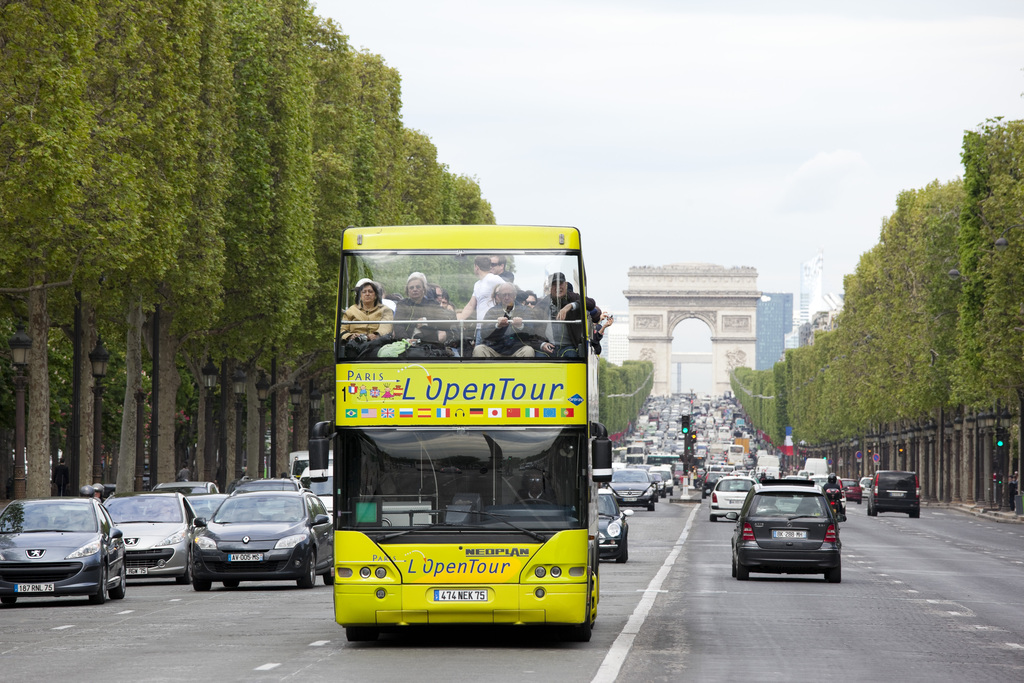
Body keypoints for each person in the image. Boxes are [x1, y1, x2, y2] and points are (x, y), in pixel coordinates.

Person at [473, 282, 546, 358]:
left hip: (517, 350)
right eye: (504, 295)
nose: (507, 297)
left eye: (509, 294)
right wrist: (497, 326)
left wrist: (521, 326)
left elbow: (532, 331)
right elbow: (483, 333)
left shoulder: (525, 310)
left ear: (514, 295)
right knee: (479, 349)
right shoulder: (492, 311)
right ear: (500, 296)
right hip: (495, 349)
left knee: (528, 350)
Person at [534, 272, 589, 358]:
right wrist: (542, 344)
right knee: (539, 357)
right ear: (550, 288)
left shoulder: (572, 297)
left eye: (560, 284)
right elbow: (532, 321)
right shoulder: (543, 303)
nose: (558, 287)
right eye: (554, 284)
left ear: (566, 285)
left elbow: (591, 303)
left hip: (568, 346)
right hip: (549, 345)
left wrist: (570, 306)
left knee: (572, 355)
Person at [393, 272, 455, 346]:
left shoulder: (433, 304)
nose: (415, 289)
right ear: (408, 291)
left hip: (429, 344)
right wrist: (407, 340)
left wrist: (426, 322)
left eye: (418, 287)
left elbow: (446, 321)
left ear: (424, 289)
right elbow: (398, 326)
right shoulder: (402, 304)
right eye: (411, 288)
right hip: (405, 343)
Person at [457, 256, 506, 345]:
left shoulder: (493, 278)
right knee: (478, 355)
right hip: (480, 328)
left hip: (492, 327)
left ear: (476, 267)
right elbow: (471, 305)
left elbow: (509, 291)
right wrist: (458, 319)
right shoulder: (477, 284)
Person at [340, 278, 394, 343]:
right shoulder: (351, 310)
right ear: (360, 295)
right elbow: (342, 330)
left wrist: (376, 335)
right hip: (354, 344)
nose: (367, 294)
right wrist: (350, 336)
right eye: (363, 292)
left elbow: (386, 327)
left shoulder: (385, 310)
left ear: (376, 295)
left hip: (376, 343)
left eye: (370, 291)